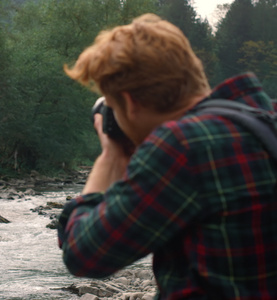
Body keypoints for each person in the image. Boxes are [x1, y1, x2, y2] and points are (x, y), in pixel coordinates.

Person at [58, 13, 277, 299]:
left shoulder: (183, 146)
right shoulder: (265, 119)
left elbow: (84, 255)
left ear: (129, 102)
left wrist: (109, 159)